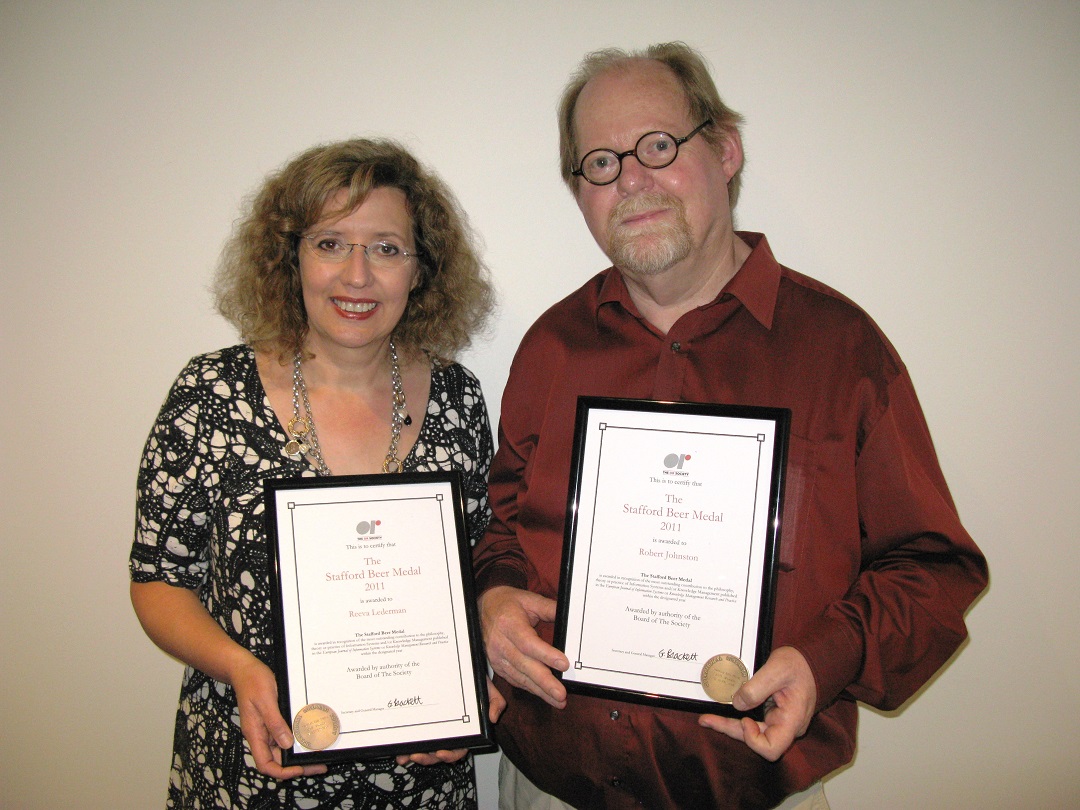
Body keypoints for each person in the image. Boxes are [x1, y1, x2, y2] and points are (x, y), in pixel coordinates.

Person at [473, 42, 988, 809]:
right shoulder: (551, 348)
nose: (633, 180)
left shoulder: (842, 351)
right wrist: (494, 594)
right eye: (600, 163)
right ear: (579, 190)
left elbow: (934, 568)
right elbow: (504, 522)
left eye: (657, 145)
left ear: (724, 149)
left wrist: (824, 660)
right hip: (546, 787)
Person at [130, 138, 495, 809]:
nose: (357, 276)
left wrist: (470, 679)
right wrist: (238, 668)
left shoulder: (458, 399)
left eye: (386, 248)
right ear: (290, 256)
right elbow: (158, 578)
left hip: (421, 781)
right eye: (330, 243)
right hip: (252, 770)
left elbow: (480, 569)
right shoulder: (210, 395)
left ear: (421, 270)